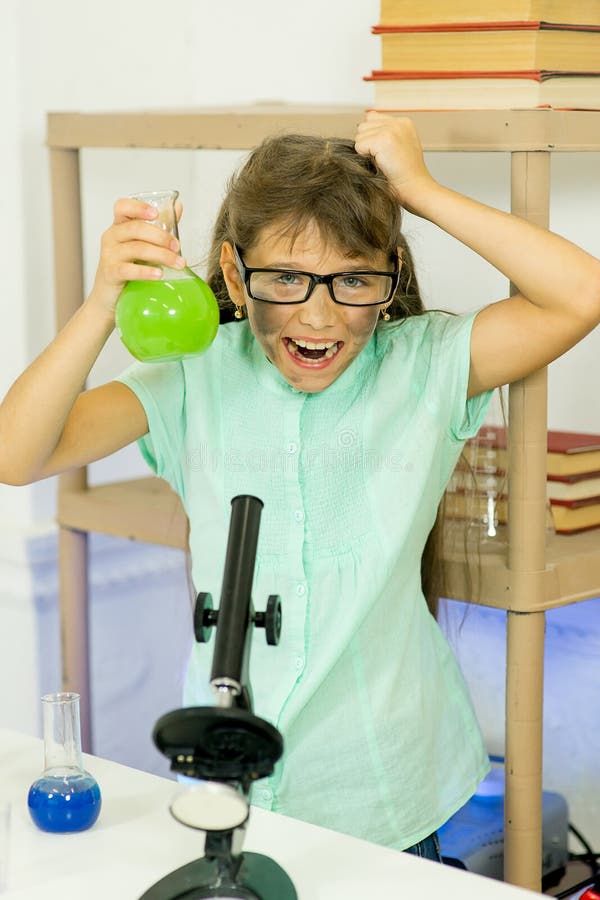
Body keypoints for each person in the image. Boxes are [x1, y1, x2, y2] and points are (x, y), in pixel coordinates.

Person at [1, 112, 599, 860]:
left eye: (353, 279)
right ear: (230, 271)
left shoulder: (422, 365)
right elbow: (17, 455)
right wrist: (100, 306)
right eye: (284, 278)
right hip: (226, 788)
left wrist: (421, 191)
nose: (318, 316)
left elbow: (581, 292)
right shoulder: (193, 373)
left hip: (386, 792)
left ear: (390, 279)